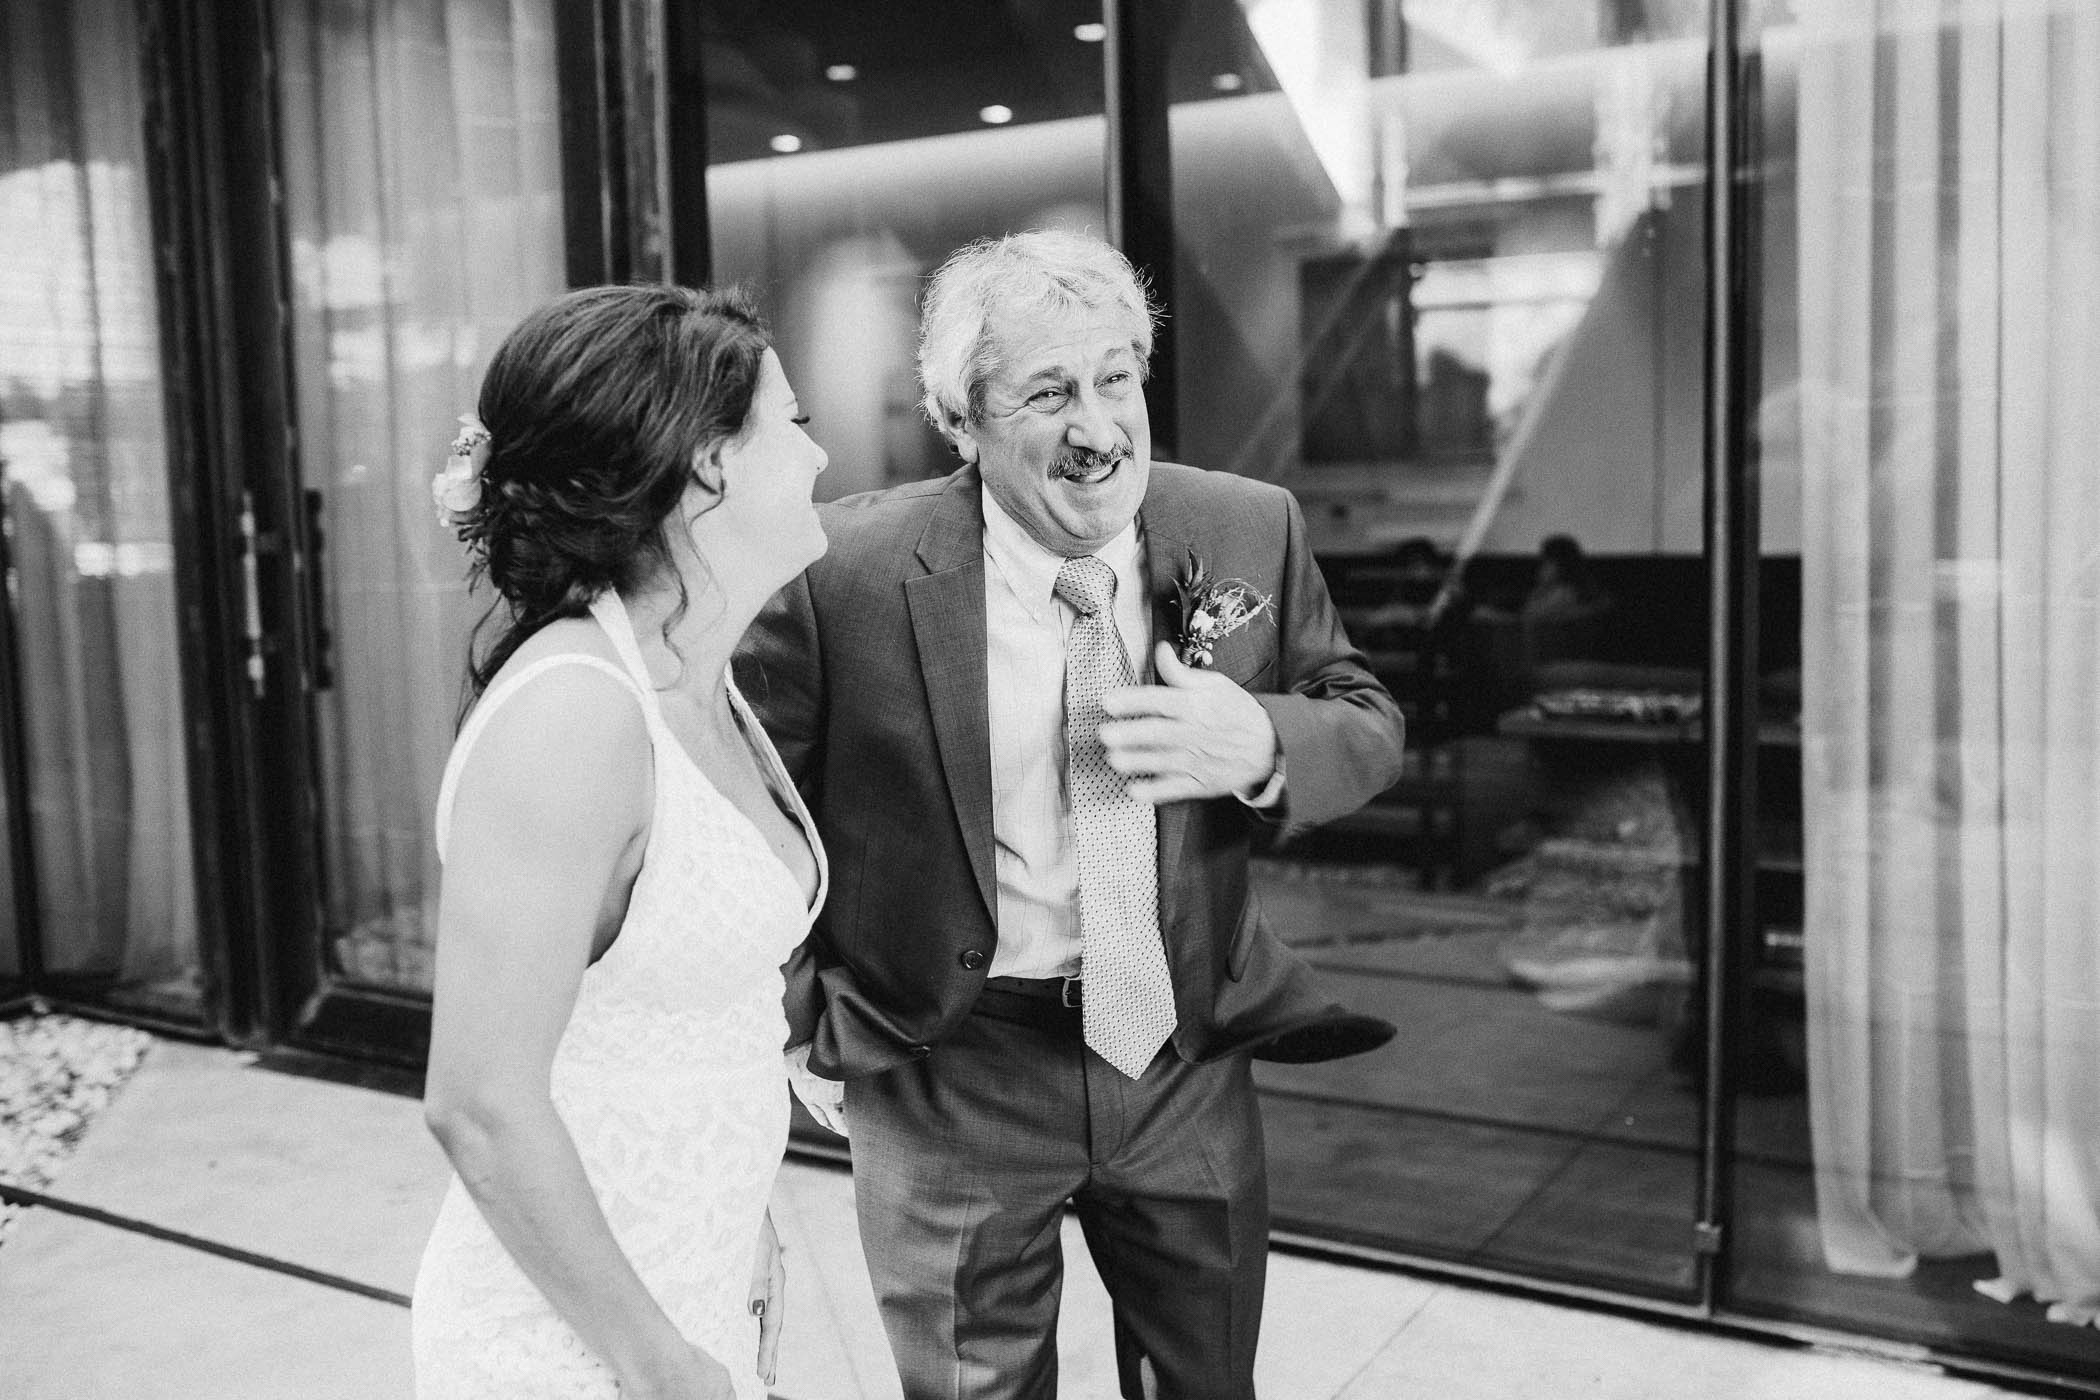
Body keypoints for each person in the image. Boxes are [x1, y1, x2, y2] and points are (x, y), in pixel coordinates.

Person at [735, 230, 1406, 1400]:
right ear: (965, 421)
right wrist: (806, 1020)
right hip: (952, 1067)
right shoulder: (840, 570)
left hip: (1182, 1055)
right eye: (1048, 393)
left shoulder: (1249, 525)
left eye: (1115, 377)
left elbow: (1365, 716)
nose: (1099, 427)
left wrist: (1260, 743)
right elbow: (753, 817)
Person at [412, 284, 829, 1400]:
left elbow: (687, 1028)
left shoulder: (696, 675)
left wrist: (740, 1234)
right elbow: (480, 1101)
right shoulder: (574, 715)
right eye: (791, 423)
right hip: (573, 1348)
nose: (820, 454)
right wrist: (661, 1362)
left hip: (693, 1294)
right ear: (706, 463)